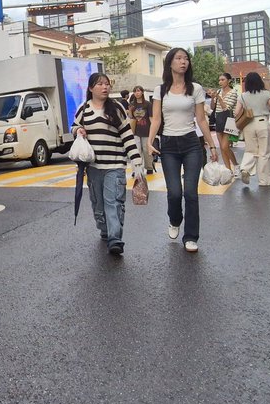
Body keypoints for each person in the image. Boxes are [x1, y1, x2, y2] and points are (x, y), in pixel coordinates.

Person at [148, 47, 217, 253]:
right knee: (175, 193)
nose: (183, 62)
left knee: (190, 193)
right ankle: (174, 219)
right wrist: (149, 142)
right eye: (178, 58)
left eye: (186, 58)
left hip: (191, 143)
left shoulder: (195, 88)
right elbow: (156, 119)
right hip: (168, 144)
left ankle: (191, 236)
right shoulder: (160, 90)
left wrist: (211, 145)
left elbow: (201, 119)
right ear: (170, 63)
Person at [73, 71, 143, 256]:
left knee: (113, 202)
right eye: (100, 84)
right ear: (90, 88)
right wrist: (78, 130)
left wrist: (136, 162)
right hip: (94, 167)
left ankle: (115, 238)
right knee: (98, 204)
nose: (105, 87)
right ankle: (105, 230)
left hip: (114, 165)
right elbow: (73, 126)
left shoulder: (116, 108)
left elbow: (128, 136)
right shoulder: (84, 109)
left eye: (107, 84)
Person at [235, 72, 270, 186]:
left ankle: (245, 169)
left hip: (248, 124)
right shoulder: (266, 94)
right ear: (260, 81)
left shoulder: (243, 96)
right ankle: (264, 181)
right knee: (264, 153)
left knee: (250, 150)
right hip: (262, 123)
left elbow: (236, 112)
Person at [212, 72, 239, 172]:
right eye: (219, 80)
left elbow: (227, 108)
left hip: (229, 120)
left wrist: (219, 98)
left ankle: (236, 165)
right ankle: (228, 170)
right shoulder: (218, 91)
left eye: (222, 80)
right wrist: (213, 98)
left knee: (225, 146)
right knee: (222, 148)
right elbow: (212, 108)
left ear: (229, 81)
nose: (220, 82)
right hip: (219, 119)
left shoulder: (233, 92)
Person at [127, 86, 153, 173]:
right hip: (135, 130)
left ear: (142, 92)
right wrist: (130, 110)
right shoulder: (132, 104)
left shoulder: (148, 104)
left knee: (146, 150)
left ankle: (149, 167)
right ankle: (136, 170)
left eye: (138, 91)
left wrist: (153, 130)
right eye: (135, 91)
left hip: (146, 130)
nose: (137, 93)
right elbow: (131, 117)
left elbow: (151, 118)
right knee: (136, 151)